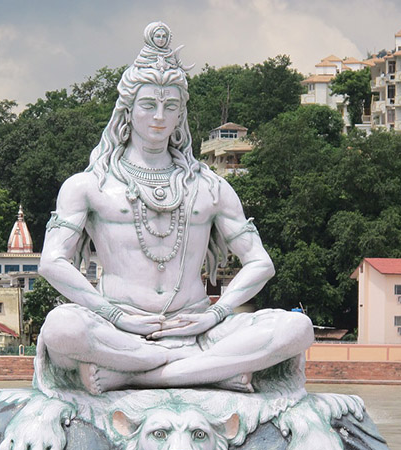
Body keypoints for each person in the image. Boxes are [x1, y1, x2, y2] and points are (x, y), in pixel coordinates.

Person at [34, 21, 313, 397]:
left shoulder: (209, 185)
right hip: (118, 328)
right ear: (127, 110)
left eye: (171, 106)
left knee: (297, 329)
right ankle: (210, 373)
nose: (159, 117)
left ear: (181, 114)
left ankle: (135, 376)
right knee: (60, 329)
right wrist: (113, 315)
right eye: (148, 105)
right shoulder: (89, 184)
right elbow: (52, 262)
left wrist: (215, 314)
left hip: (196, 326)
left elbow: (261, 263)